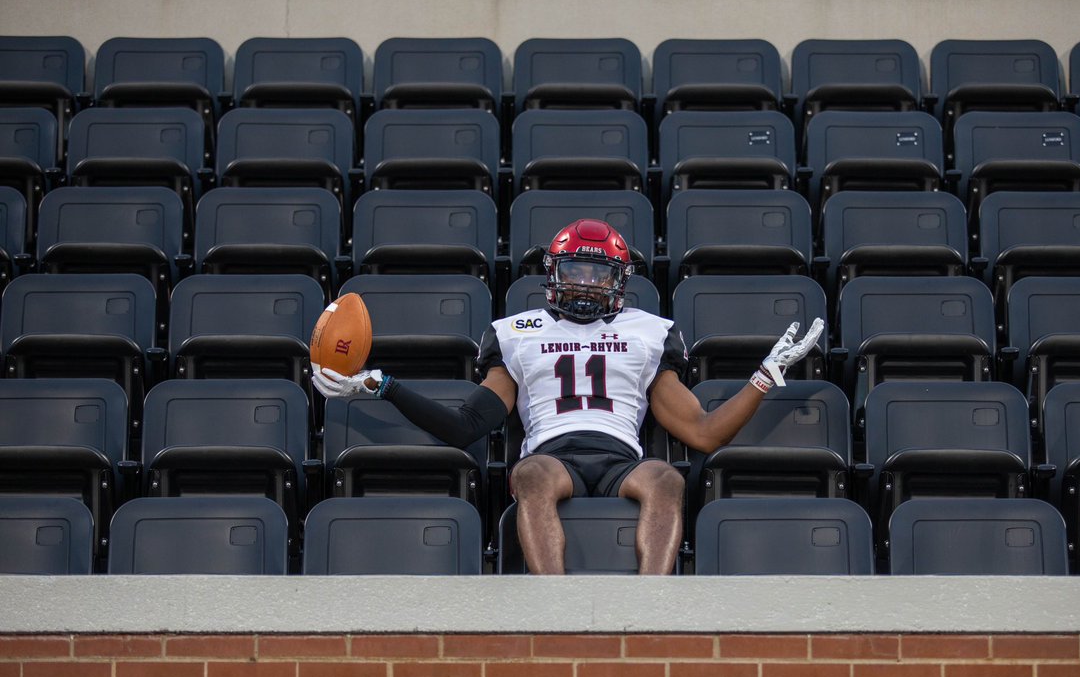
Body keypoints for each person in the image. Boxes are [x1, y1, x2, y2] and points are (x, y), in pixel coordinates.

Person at [312, 218, 823, 574]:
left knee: (667, 477)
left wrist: (764, 375)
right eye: (575, 271)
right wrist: (383, 386)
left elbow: (703, 432)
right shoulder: (517, 331)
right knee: (529, 473)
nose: (585, 283)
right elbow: (469, 424)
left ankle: (653, 608)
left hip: (622, 457)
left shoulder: (649, 331)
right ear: (552, 273)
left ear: (620, 281)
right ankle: (553, 605)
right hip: (553, 456)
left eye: (598, 274)